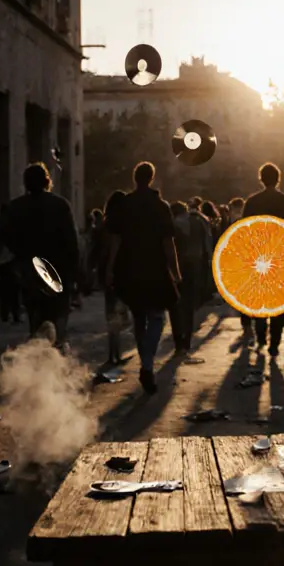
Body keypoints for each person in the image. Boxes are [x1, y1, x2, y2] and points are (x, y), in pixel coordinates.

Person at [105, 162, 181, 394]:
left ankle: (144, 361)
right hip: (155, 268)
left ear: (134, 178)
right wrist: (175, 271)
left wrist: (110, 268)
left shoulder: (124, 205)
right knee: (157, 317)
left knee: (139, 317)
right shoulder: (161, 206)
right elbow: (169, 243)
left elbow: (115, 241)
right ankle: (147, 364)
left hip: (129, 269)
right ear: (152, 178)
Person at [1, 163, 81, 349]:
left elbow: (6, 238)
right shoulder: (60, 205)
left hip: (30, 273)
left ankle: (39, 362)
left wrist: (18, 261)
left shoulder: (16, 207)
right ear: (47, 181)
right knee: (58, 321)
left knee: (36, 321)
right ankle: (56, 361)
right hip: (58, 272)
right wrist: (75, 275)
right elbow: (72, 242)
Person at [239, 162, 284, 356]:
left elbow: (244, 230)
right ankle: (275, 339)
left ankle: (260, 334)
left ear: (261, 179)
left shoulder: (252, 202)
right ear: (278, 178)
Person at [94, 192, 129, 370]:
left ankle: (113, 354)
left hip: (110, 272)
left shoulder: (106, 224)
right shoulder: (127, 224)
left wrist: (106, 270)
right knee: (120, 313)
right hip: (123, 272)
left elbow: (104, 250)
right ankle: (116, 353)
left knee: (111, 313)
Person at [168, 201, 200, 354]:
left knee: (175, 306)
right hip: (192, 268)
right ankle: (186, 341)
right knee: (189, 307)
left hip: (176, 269)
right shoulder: (197, 223)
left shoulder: (172, 225)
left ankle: (178, 342)